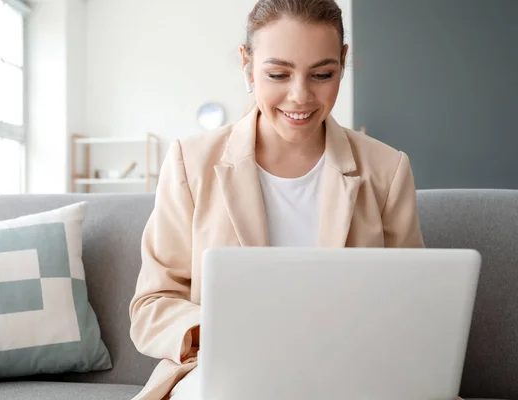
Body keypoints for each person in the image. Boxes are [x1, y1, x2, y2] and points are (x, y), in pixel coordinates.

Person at [128, 0, 442, 399]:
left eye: (322, 74)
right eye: (278, 73)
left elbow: (413, 303)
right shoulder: (191, 163)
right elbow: (152, 304)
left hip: (350, 369)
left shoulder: (387, 169)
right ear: (247, 64)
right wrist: (220, 330)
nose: (300, 96)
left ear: (343, 62)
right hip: (229, 371)